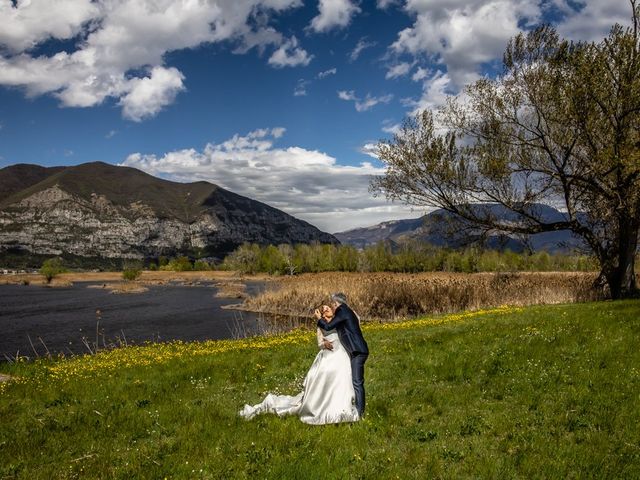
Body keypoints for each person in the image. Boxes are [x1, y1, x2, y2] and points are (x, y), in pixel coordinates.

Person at [239, 305, 360, 425]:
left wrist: (348, 310)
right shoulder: (321, 324)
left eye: (328, 307)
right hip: (328, 355)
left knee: (342, 379)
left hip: (340, 355)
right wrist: (324, 344)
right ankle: (322, 406)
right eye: (323, 310)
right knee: (325, 379)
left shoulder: (338, 319)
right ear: (322, 314)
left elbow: (355, 320)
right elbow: (319, 343)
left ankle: (342, 404)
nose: (326, 309)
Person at [315, 292, 369, 417]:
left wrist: (318, 319)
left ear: (336, 303)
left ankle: (359, 413)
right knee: (354, 381)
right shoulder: (344, 312)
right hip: (355, 351)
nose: (331, 307)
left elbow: (328, 327)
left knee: (357, 382)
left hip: (358, 351)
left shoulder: (343, 311)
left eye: (332, 304)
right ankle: (354, 407)